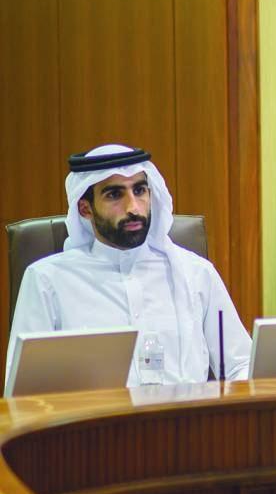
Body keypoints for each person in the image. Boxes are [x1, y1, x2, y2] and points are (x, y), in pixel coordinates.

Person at [6, 144, 251, 386]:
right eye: (114, 195)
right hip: (98, 413)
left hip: (188, 411)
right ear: (85, 209)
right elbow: (24, 390)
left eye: (140, 190)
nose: (133, 208)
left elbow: (241, 364)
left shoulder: (196, 273)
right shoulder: (47, 280)